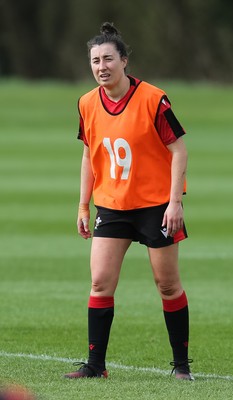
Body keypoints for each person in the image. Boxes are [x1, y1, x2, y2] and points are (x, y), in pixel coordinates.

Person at [64, 22, 194, 381]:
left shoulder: (154, 98)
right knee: (100, 282)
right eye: (94, 60)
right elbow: (90, 154)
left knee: (167, 284)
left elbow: (178, 148)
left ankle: (181, 367)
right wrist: (82, 205)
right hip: (112, 205)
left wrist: (175, 202)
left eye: (108, 59)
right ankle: (95, 366)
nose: (101, 66)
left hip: (156, 205)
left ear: (124, 61)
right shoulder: (87, 103)